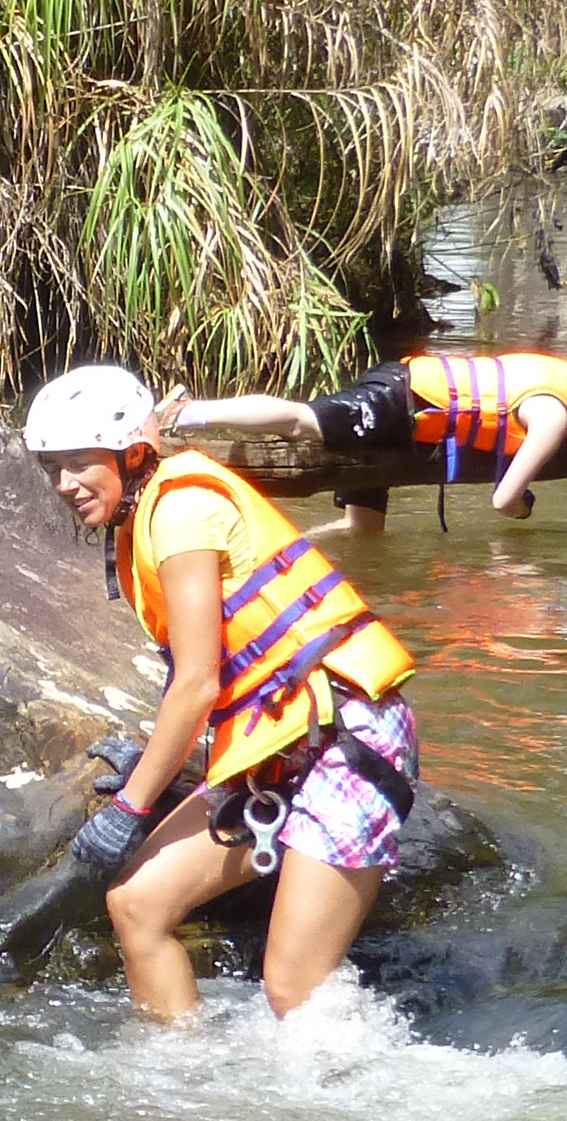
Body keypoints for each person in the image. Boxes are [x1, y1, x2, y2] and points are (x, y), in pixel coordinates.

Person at [22, 365, 423, 1022]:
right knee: (139, 904)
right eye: (51, 468)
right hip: (286, 745)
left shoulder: (180, 509)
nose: (64, 484)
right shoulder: (147, 515)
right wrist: (163, 763)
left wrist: (133, 804)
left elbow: (199, 681)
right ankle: (182, 1079)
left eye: (76, 463)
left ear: (130, 452)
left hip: (349, 738)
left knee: (293, 990)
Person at [165, 333, 567, 534]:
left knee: (364, 534)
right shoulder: (553, 414)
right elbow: (504, 501)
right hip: (396, 402)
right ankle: (187, 413)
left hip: (408, 409)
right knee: (301, 422)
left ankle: (294, 550)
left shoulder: (555, 378)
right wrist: (526, 509)